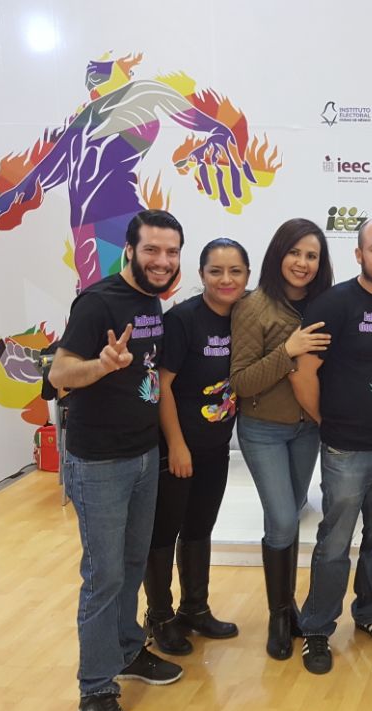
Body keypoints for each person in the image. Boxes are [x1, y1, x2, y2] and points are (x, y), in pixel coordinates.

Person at [50, 209, 187, 711]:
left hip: (143, 454)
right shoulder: (97, 301)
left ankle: (128, 649)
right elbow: (59, 374)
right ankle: (95, 688)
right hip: (100, 462)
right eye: (152, 250)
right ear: (129, 250)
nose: (162, 260)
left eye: (171, 252)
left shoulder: (151, 299)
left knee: (132, 563)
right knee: (104, 575)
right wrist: (101, 365)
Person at [289, 217, 372, 674]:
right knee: (334, 543)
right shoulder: (334, 304)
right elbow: (303, 374)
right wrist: (329, 422)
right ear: (359, 254)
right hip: (346, 450)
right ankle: (316, 627)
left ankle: (370, 612)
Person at [230, 218, 334, 660]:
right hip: (263, 430)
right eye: (295, 252)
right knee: (284, 519)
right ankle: (277, 615)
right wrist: (287, 351)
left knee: (290, 514)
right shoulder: (252, 307)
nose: (303, 263)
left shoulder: (325, 305)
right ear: (278, 254)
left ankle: (288, 606)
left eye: (312, 255)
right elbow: (241, 382)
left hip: (306, 429)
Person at [141, 238, 248, 658]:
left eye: (235, 271)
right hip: (177, 449)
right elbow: (162, 386)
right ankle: (159, 616)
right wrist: (176, 445)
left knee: (200, 528)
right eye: (215, 271)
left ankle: (195, 609)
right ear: (201, 274)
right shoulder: (183, 320)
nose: (226, 279)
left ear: (247, 275)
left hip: (215, 447)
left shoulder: (244, 317)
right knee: (164, 531)